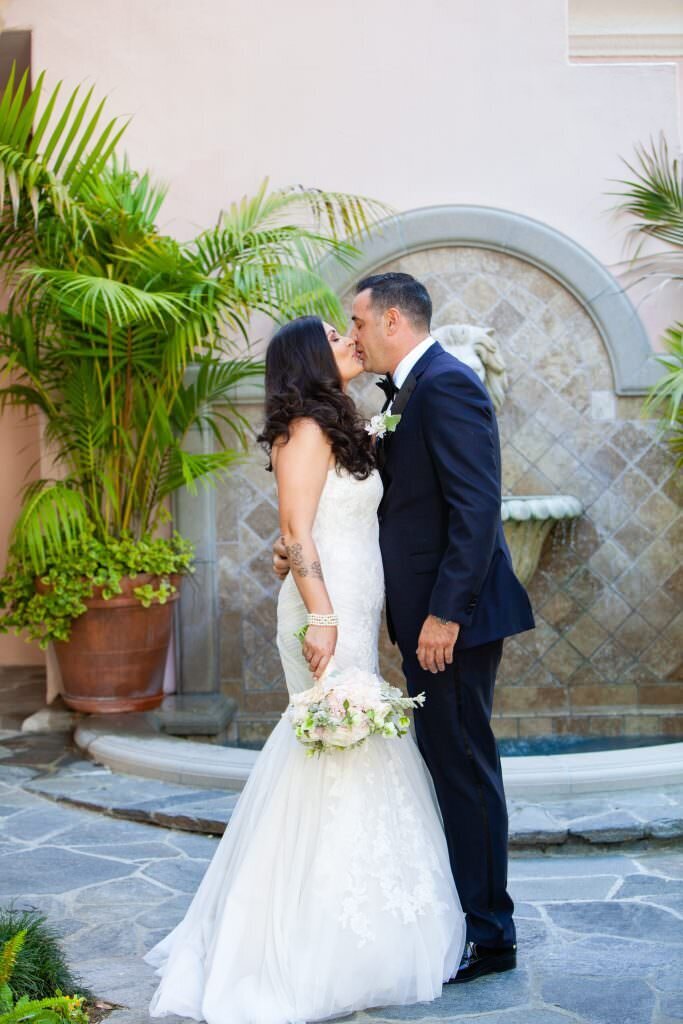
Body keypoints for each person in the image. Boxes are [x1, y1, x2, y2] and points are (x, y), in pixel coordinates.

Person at [145, 315, 465, 1024]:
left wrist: (300, 566)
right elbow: (294, 528)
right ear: (306, 360)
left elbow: (303, 530)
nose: (349, 339)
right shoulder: (303, 427)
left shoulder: (334, 422)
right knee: (328, 742)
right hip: (329, 610)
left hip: (345, 593)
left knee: (352, 746)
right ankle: (304, 939)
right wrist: (320, 612)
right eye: (334, 335)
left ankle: (363, 925)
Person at [274, 274, 535, 982]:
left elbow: (476, 510)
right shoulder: (403, 396)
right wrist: (300, 542)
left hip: (450, 621)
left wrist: (445, 613)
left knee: (462, 767)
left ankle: (490, 932)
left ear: (391, 319)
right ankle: (467, 915)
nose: (351, 335)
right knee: (446, 761)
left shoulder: (445, 385)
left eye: (355, 322)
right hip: (406, 617)